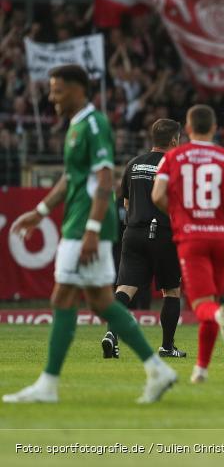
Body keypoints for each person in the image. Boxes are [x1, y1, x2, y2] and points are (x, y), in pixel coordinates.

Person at [4, 65, 176, 404]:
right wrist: (38, 213)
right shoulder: (75, 126)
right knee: (99, 301)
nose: (52, 96)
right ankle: (158, 369)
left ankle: (49, 385)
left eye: (58, 90)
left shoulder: (94, 124)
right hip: (78, 222)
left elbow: (104, 178)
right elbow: (71, 178)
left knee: (64, 298)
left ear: (79, 90)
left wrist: (94, 230)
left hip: (86, 225)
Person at [151, 105, 224, 383]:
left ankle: (221, 316)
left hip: (192, 236)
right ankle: (201, 369)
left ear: (188, 127)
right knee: (212, 299)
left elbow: (157, 195)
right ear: (214, 127)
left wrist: (180, 214)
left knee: (203, 305)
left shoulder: (174, 157)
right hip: (222, 236)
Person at [102, 119, 186, 360]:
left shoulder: (134, 164)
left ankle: (111, 335)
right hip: (163, 233)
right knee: (171, 291)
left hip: (133, 232)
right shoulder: (174, 164)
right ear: (173, 140)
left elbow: (125, 203)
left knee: (125, 288)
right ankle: (167, 347)